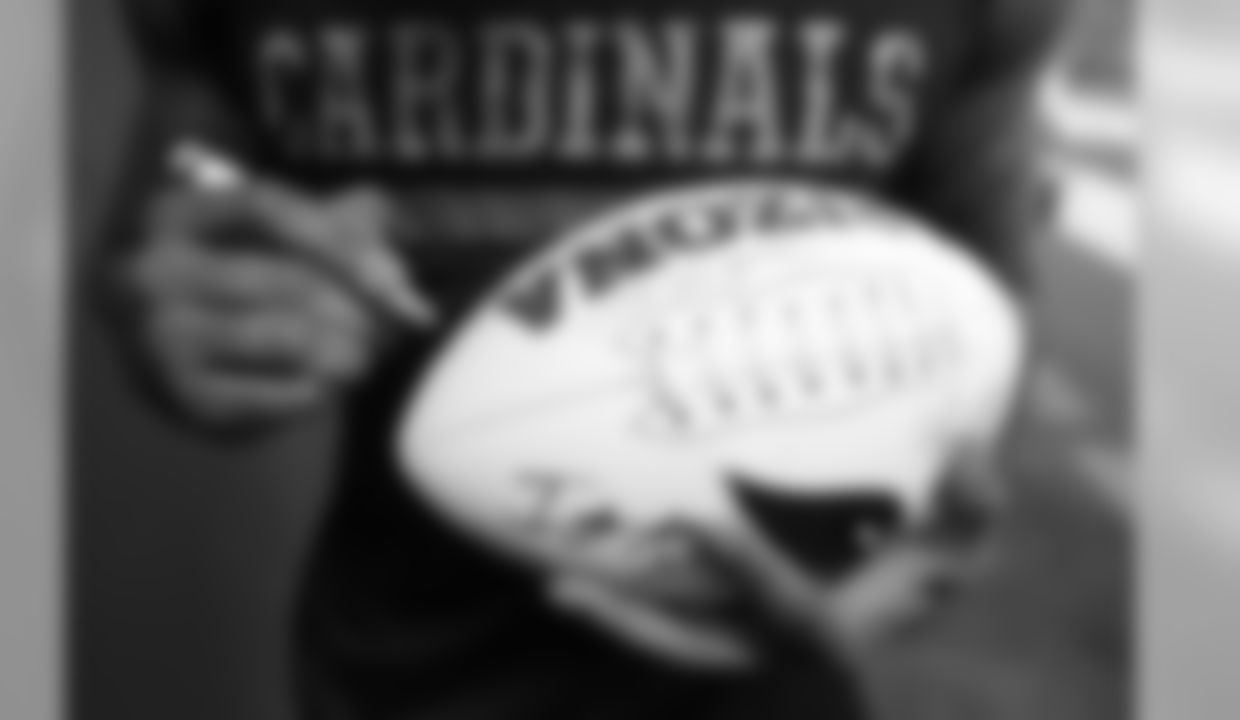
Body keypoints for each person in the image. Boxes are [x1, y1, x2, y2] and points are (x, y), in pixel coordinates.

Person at [95, 0, 1068, 718]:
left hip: (761, 684)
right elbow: (166, 224)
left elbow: (986, 303)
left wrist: (914, 535)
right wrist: (199, 319)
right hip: (399, 677)